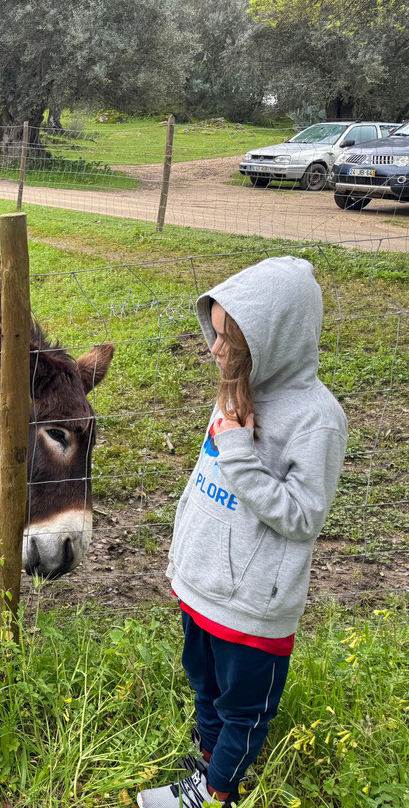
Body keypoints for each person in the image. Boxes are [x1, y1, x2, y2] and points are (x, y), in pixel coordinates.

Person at [137, 257, 348, 808]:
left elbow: (303, 516)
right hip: (204, 585)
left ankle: (215, 793)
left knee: (244, 711)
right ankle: (207, 765)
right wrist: (184, 548)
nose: (213, 348)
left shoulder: (317, 420)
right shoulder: (236, 390)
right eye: (215, 332)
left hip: (251, 607)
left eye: (228, 338)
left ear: (270, 341)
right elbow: (206, 476)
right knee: (204, 688)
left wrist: (238, 452)